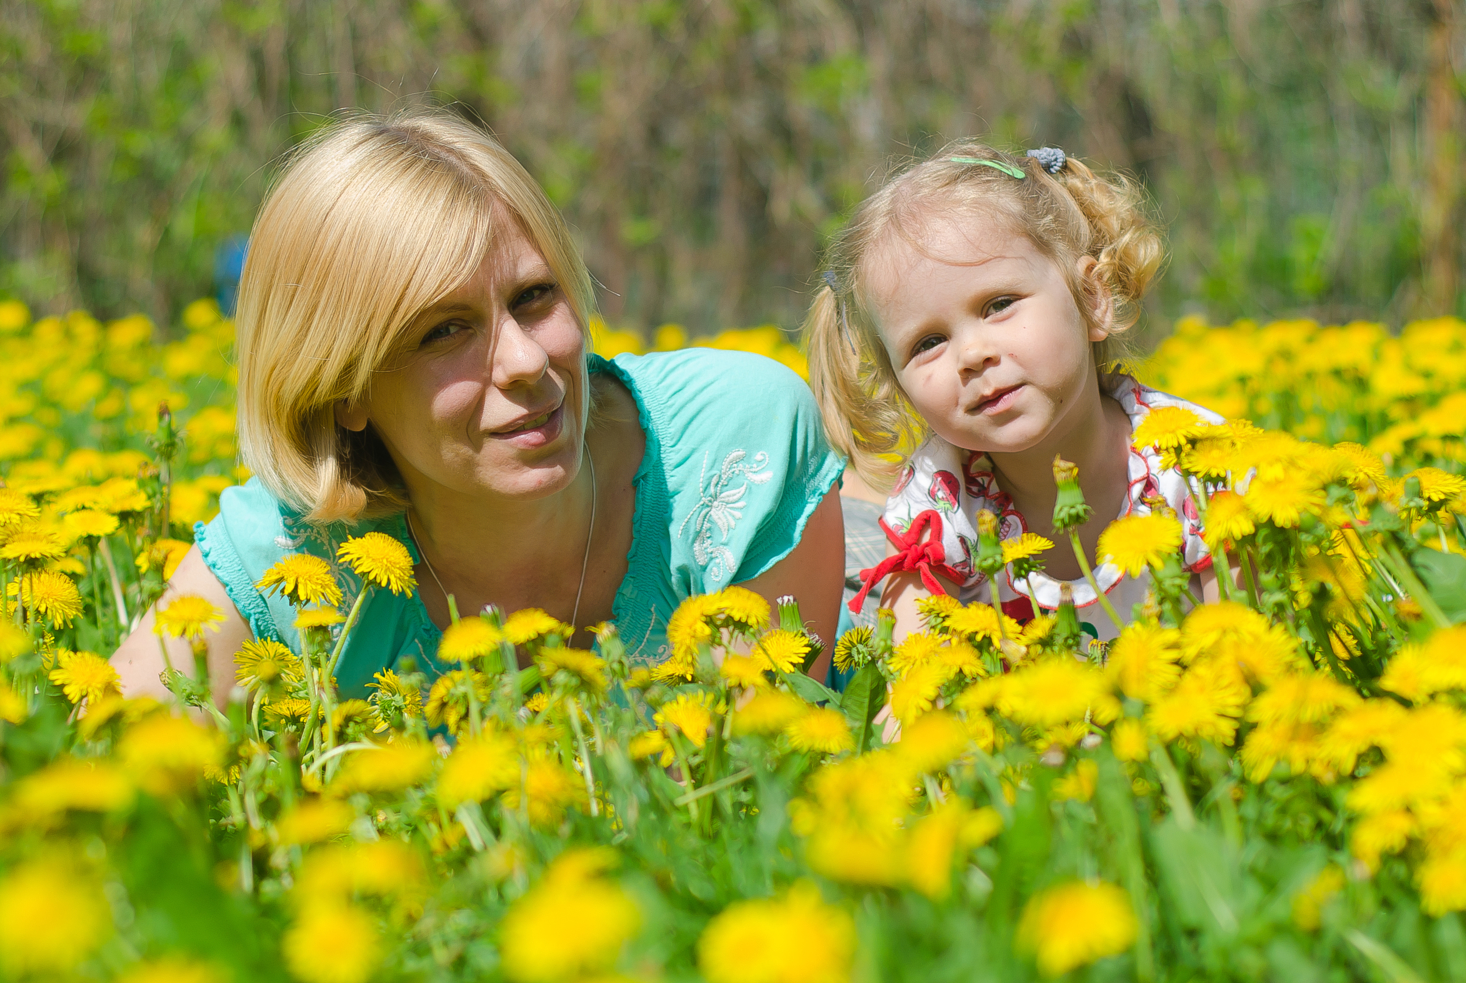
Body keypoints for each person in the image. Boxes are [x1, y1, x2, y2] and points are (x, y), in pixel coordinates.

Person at [112, 113, 845, 703]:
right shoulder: (288, 556)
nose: (527, 362)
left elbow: (757, 787)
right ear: (343, 391)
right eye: (445, 331)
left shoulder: (738, 448)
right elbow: (88, 783)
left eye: (534, 296)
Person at [803, 142, 1220, 644]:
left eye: (999, 304)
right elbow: (915, 686)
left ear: (1091, 298)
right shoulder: (939, 505)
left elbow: (1250, 659)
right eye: (928, 343)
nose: (972, 354)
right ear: (901, 388)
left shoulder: (1195, 469)